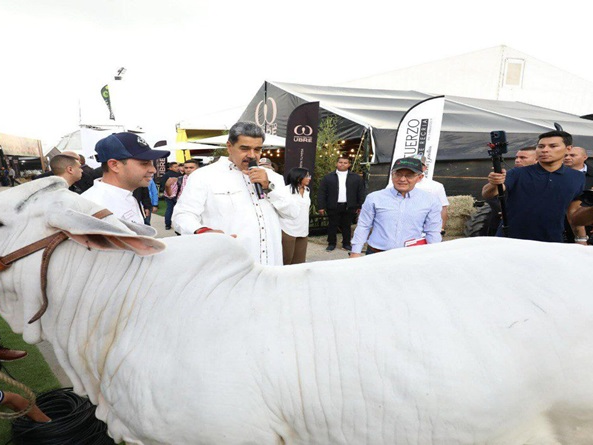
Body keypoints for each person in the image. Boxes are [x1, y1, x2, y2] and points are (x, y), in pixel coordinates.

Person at [172, 121, 298, 266]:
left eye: (257, 149)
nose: (252, 155)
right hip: (228, 267)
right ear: (229, 147)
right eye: (244, 148)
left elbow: (292, 213)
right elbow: (182, 215)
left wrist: (269, 187)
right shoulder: (204, 176)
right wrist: (202, 231)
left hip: (270, 266)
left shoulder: (272, 178)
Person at [482, 130, 585, 243]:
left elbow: (573, 210)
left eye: (553, 146)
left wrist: (581, 239)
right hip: (511, 240)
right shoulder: (517, 173)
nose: (545, 150)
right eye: (541, 146)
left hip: (552, 241)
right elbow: (488, 193)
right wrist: (494, 183)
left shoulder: (577, 177)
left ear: (568, 148)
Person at [350, 157, 441, 257]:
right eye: (398, 174)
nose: (402, 179)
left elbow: (432, 231)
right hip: (377, 253)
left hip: (411, 255)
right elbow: (364, 226)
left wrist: (434, 254)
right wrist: (355, 252)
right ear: (391, 175)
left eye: (409, 176)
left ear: (419, 178)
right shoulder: (374, 198)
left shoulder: (430, 200)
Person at [82, 132, 170, 224]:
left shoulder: (126, 196)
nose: (153, 170)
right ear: (114, 165)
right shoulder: (95, 207)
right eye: (144, 163)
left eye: (151, 163)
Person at [317, 155, 365, 251]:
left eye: (345, 163)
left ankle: (346, 244)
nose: (342, 164)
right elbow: (322, 192)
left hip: (349, 205)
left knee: (347, 226)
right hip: (333, 205)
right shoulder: (328, 177)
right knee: (332, 225)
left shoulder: (356, 178)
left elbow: (361, 192)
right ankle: (331, 243)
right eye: (340, 162)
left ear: (349, 165)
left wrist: (360, 205)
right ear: (336, 163)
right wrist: (321, 206)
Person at [280, 167, 311, 265]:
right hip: (288, 229)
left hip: (303, 229)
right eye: (307, 176)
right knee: (286, 258)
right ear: (298, 177)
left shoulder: (307, 190)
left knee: (299, 261)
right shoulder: (285, 191)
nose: (310, 178)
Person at [413, 155, 449, 235]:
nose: (414, 167)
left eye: (419, 165)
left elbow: (443, 208)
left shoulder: (436, 186)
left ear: (425, 168)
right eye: (412, 164)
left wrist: (441, 228)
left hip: (426, 230)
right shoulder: (394, 184)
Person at [160, 162, 181, 230]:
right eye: (175, 167)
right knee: (176, 210)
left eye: (177, 166)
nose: (177, 168)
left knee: (169, 209)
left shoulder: (165, 175)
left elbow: (162, 185)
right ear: (170, 168)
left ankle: (168, 225)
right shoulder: (178, 175)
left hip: (168, 195)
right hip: (176, 195)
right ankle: (176, 224)